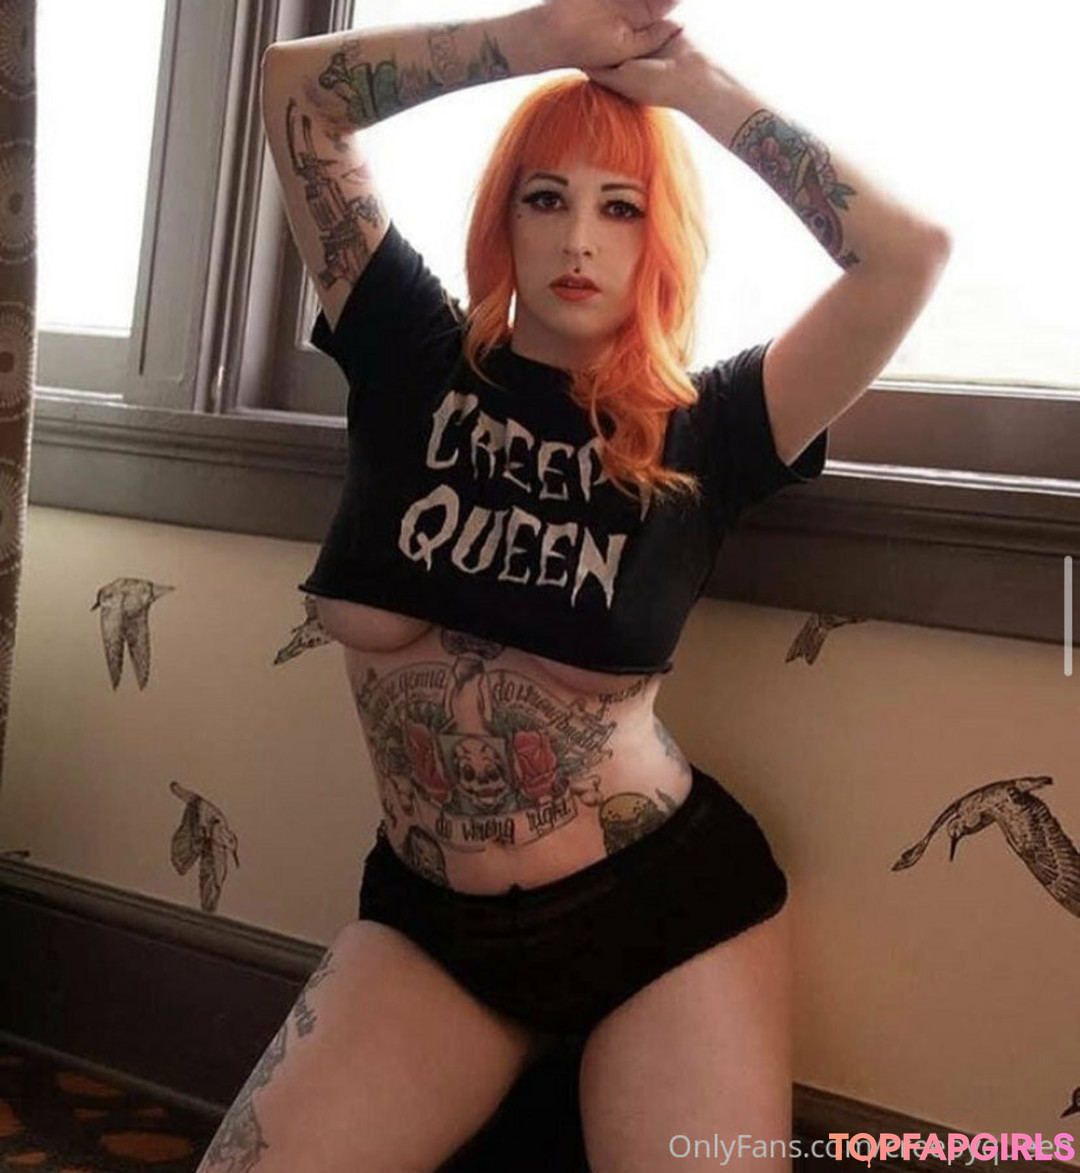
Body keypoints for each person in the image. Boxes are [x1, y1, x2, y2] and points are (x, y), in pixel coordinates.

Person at [213, 2, 951, 1170]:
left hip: (664, 918)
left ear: (660, 238)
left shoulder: (710, 428)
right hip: (432, 930)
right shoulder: (406, 348)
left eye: (622, 207)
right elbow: (295, 93)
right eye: (545, 197)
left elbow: (908, 256)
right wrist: (549, 36)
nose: (577, 240)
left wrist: (690, 86)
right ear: (503, 216)